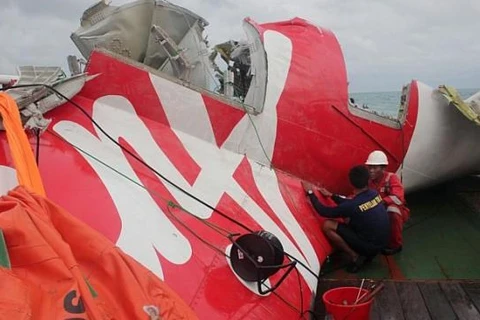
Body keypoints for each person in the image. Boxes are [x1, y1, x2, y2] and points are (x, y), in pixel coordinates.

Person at [302, 165, 390, 273]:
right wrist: (332, 196)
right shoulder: (374, 194)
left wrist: (310, 193)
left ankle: (355, 256)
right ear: (368, 180)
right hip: (381, 244)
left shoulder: (352, 205)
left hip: (369, 248)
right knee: (350, 217)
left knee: (328, 225)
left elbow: (323, 211)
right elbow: (353, 205)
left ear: (351, 183)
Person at [365, 150, 410, 255]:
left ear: (383, 168)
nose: (371, 170)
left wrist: (379, 202)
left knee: (393, 211)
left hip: (395, 212)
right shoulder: (368, 181)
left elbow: (398, 198)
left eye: (374, 168)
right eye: (369, 167)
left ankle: (396, 245)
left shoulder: (391, 178)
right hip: (378, 211)